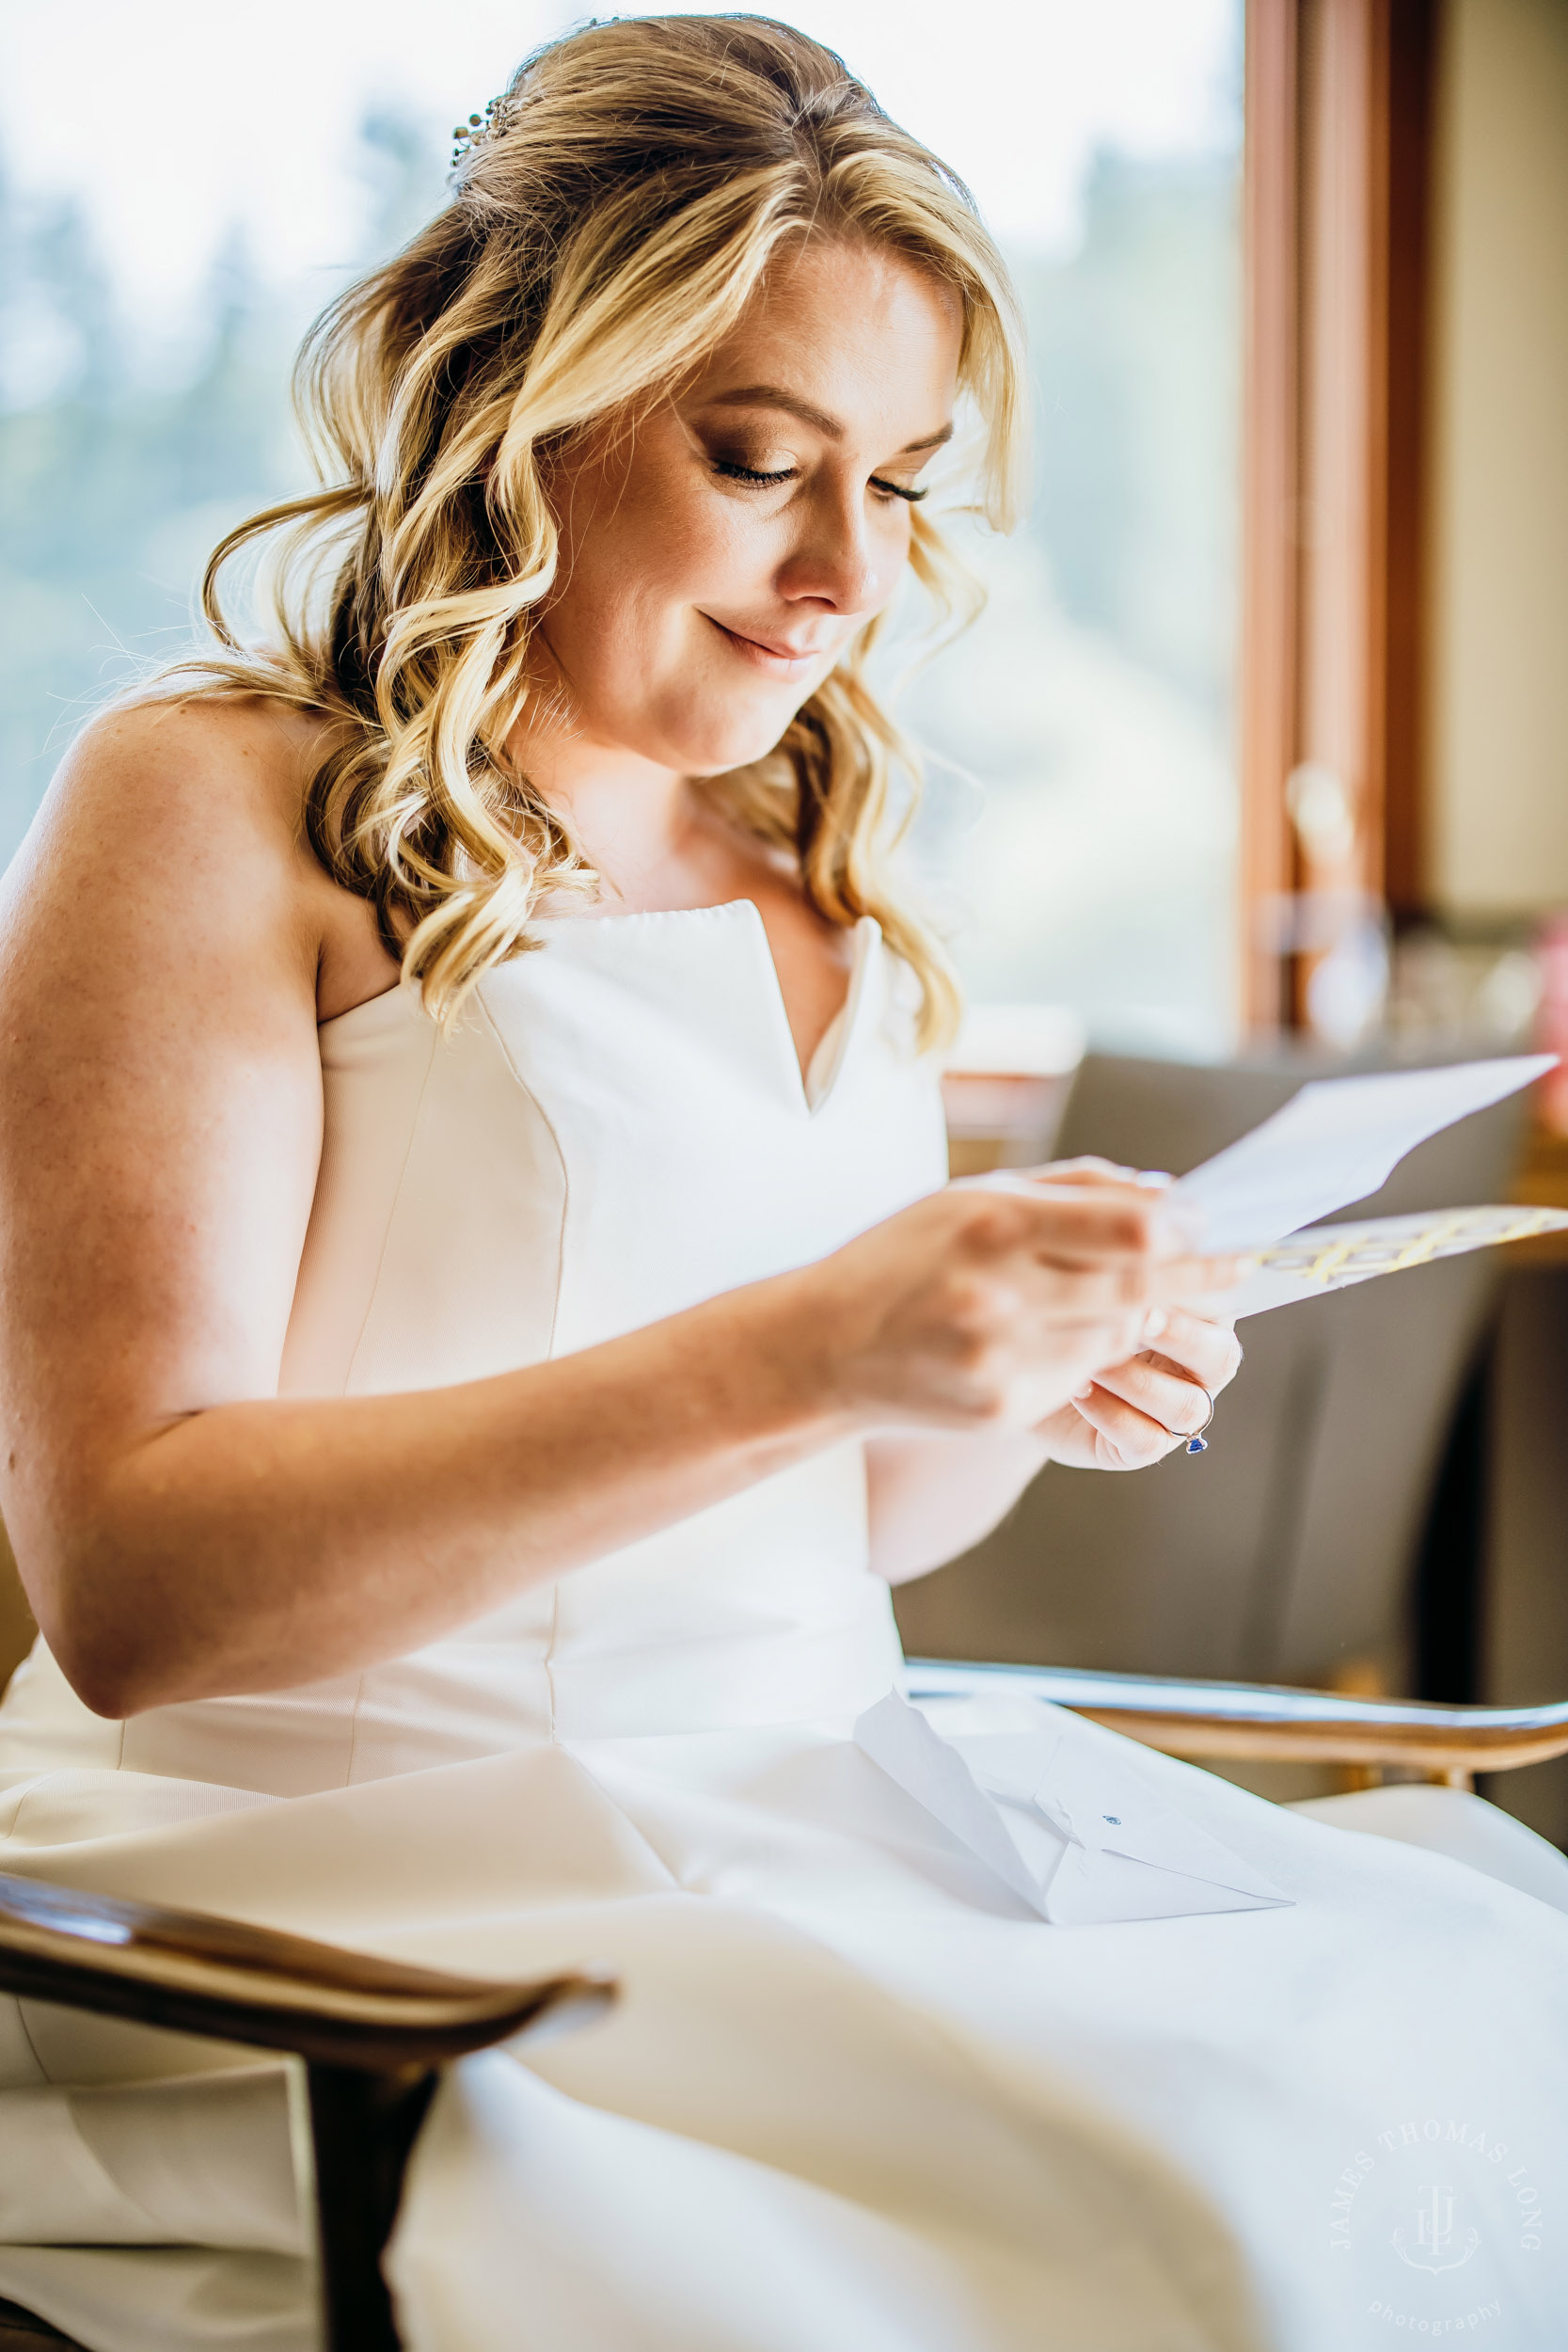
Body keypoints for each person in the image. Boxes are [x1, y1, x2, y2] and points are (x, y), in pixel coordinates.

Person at [0, 18, 1563, 2349]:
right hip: (349, 1888)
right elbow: (132, 1586)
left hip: (813, 1812)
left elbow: (844, 1532)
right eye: (761, 463)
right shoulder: (216, 800)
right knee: (1210, 2209)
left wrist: (1013, 1381)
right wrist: (812, 1337)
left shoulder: (823, 864)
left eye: (905, 484)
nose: (847, 574)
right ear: (522, 397)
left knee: (1490, 2029)